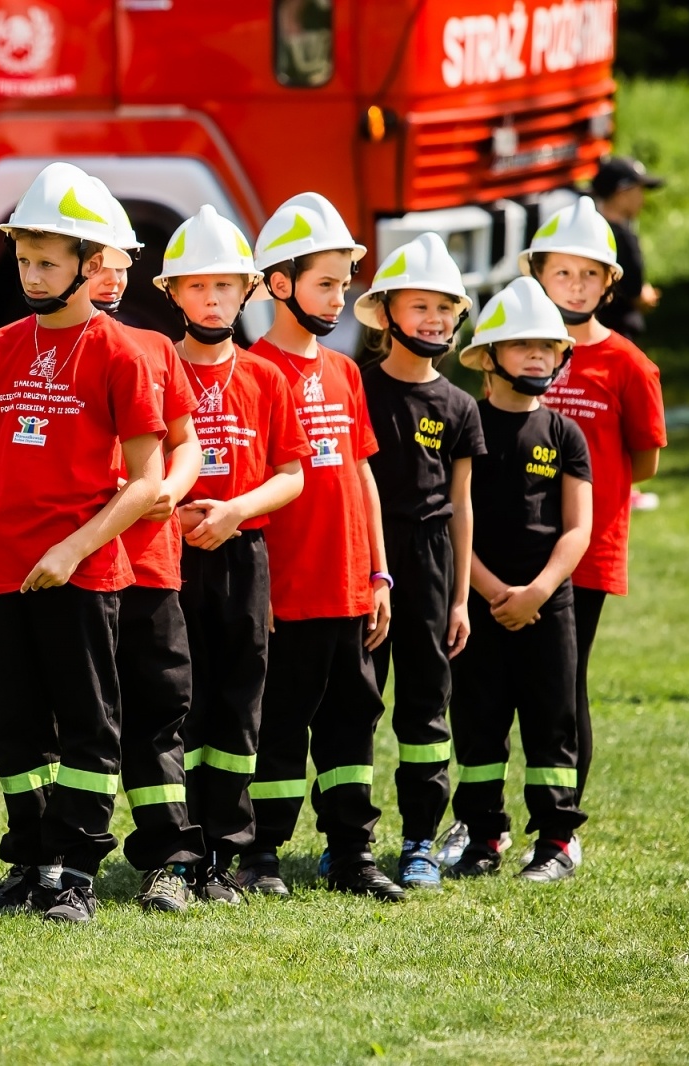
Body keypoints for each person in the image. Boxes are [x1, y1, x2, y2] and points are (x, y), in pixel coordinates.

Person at [0, 163, 164, 924]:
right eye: (24, 260)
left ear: (91, 264)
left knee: (87, 725)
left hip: (84, 572)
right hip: (4, 573)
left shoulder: (123, 354)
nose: (32, 275)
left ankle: (73, 873)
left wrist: (74, 549)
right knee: (15, 727)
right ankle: (33, 859)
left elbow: (147, 483)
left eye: (47, 261)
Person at [243, 193, 397, 901]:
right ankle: (261, 854)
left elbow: (362, 474)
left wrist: (380, 572)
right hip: (286, 597)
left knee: (350, 728)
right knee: (279, 729)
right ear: (280, 284)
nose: (340, 297)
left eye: (344, 283)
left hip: (350, 591)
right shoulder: (253, 373)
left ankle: (352, 855)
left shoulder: (345, 373)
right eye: (325, 282)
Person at [154, 206, 309, 903]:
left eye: (225, 287)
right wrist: (175, 510)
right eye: (197, 287)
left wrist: (235, 511)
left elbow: (293, 472)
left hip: (243, 555)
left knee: (239, 703)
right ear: (172, 294)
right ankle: (176, 854)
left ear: (249, 291)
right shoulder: (153, 369)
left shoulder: (267, 378)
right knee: (176, 699)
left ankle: (224, 855)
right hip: (168, 555)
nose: (213, 300)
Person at [523, 196, 666, 831]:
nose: (574, 285)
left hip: (588, 549)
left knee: (563, 682)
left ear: (610, 283)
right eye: (562, 273)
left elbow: (645, 461)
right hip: (513, 545)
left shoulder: (630, 364)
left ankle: (558, 826)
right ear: (538, 276)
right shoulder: (516, 348)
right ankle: (482, 821)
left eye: (588, 274)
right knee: (502, 687)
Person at [447, 276, 591, 883]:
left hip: (547, 606)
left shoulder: (565, 434)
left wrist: (536, 591)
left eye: (547, 346)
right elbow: (455, 515)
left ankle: (556, 841)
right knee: (478, 721)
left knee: (551, 718)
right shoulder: (465, 423)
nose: (537, 355)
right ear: (489, 357)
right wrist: (487, 590)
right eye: (522, 344)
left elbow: (578, 528)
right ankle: (484, 836)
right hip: (479, 604)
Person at [351, 232, 482, 892]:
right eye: (418, 306)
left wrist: (460, 599)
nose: (432, 320)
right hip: (367, 560)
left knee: (426, 709)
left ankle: (420, 843)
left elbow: (461, 507)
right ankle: (351, 842)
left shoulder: (460, 407)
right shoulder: (356, 388)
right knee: (354, 702)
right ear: (387, 313)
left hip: (431, 566)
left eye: (444, 309)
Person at [88, 194, 207, 913]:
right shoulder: (46, 350)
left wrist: (174, 484)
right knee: (85, 714)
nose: (113, 277)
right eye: (100, 264)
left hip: (152, 562)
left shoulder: (157, 349)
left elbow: (185, 442)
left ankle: (171, 862)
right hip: (83, 567)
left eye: (122, 263)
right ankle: (68, 862)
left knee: (160, 711)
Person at [590, 156, 664, 339]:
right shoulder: (623, 238)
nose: (643, 200)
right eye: (639, 191)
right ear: (622, 193)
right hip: (619, 332)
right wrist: (645, 296)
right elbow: (636, 295)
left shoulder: (588, 232)